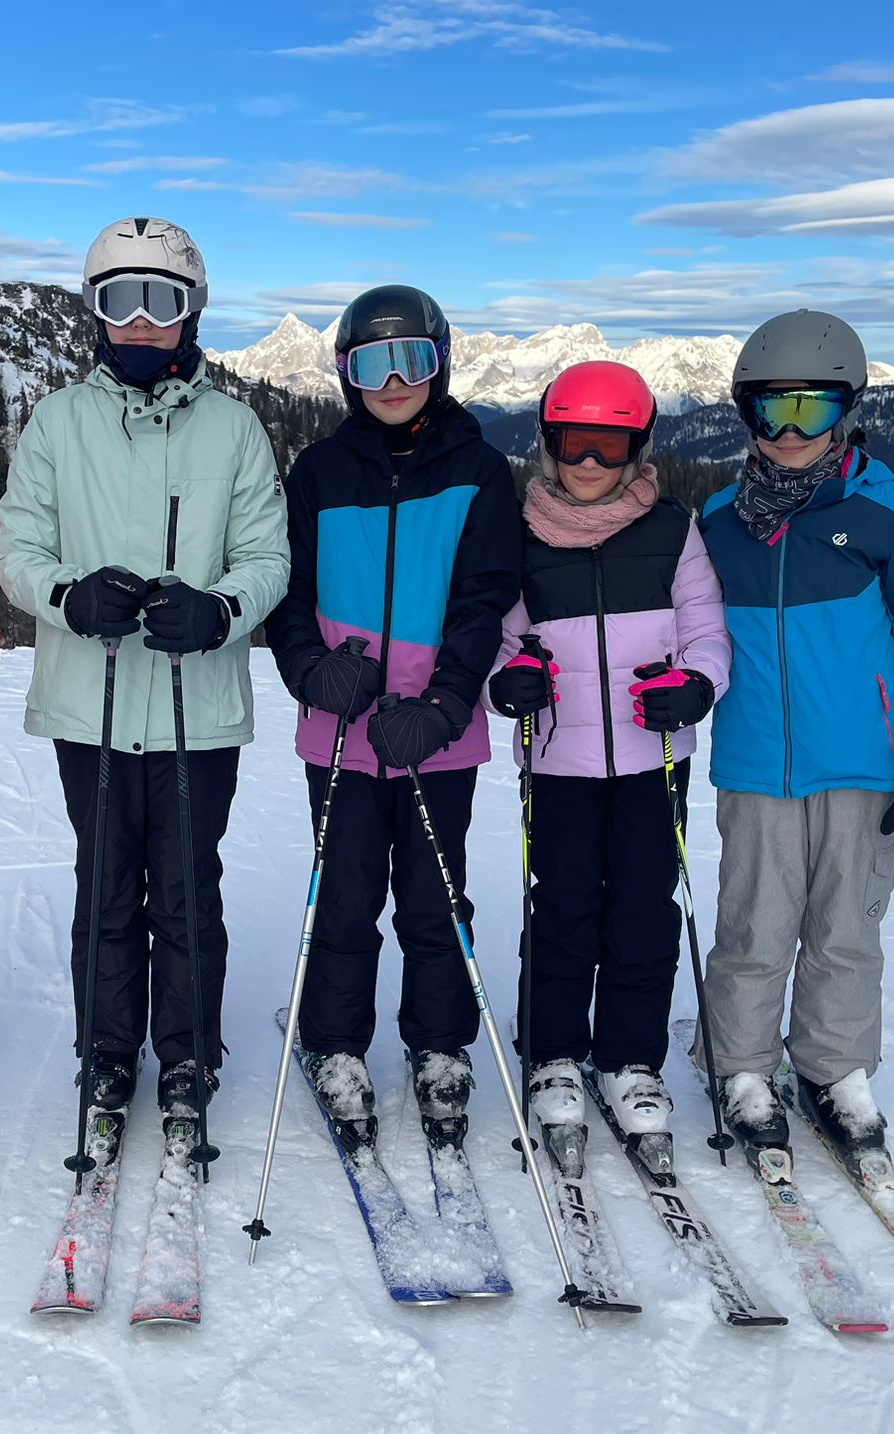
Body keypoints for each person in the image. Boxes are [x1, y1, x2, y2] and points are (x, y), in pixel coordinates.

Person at [0, 216, 288, 1144]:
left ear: (192, 311)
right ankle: (108, 1050)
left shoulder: (234, 429)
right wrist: (66, 597)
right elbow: (17, 547)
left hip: (198, 709)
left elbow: (266, 557)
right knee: (108, 885)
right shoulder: (58, 422)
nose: (141, 320)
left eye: (162, 299)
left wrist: (221, 611)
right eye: (120, 299)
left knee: (188, 889)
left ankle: (189, 1053)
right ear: (96, 310)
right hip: (93, 704)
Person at [695, 309, 894, 1159]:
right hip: (754, 763)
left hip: (863, 762)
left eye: (809, 410)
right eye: (768, 411)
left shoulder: (888, 511)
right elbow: (684, 633)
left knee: (846, 927)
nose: (787, 433)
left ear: (847, 410)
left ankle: (835, 1067)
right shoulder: (719, 520)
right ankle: (742, 1066)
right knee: (753, 925)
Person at [264, 284, 522, 1152]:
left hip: (435, 736)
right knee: (344, 896)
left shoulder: (479, 471)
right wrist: (310, 670)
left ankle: (439, 1045)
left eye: (413, 359)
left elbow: (485, 601)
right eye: (373, 364)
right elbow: (287, 591)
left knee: (434, 897)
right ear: (347, 374)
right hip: (339, 730)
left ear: (441, 363)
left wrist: (446, 705)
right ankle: (336, 1045)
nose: (395, 381)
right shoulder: (319, 473)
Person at [486, 361, 729, 1142]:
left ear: (637, 450)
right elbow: (498, 640)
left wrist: (698, 684)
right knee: (562, 906)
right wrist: (505, 683)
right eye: (574, 444)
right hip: (558, 759)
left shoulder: (672, 530)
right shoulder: (519, 535)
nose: (590, 462)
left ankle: (630, 1059)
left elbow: (706, 629)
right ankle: (554, 1052)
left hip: (653, 756)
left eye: (610, 446)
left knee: (644, 908)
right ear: (548, 445)